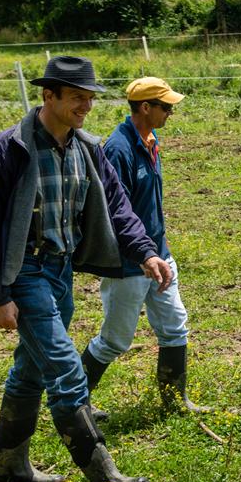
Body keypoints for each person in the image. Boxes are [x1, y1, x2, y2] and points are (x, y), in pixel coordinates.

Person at [0, 55, 171, 482]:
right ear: (48, 95)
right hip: (25, 274)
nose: (86, 105)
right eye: (77, 97)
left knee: (32, 368)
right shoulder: (7, 150)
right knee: (64, 367)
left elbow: (118, 207)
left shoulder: (87, 148)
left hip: (60, 272)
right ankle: (106, 479)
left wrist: (146, 252)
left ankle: (10, 466)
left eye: (90, 98)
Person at [82, 77, 209, 416]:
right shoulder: (118, 150)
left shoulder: (151, 141)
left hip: (159, 254)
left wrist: (158, 251)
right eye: (166, 107)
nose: (171, 112)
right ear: (145, 107)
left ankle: (174, 402)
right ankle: (74, 406)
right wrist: (141, 255)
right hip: (129, 263)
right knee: (114, 340)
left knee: (174, 326)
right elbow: (113, 213)